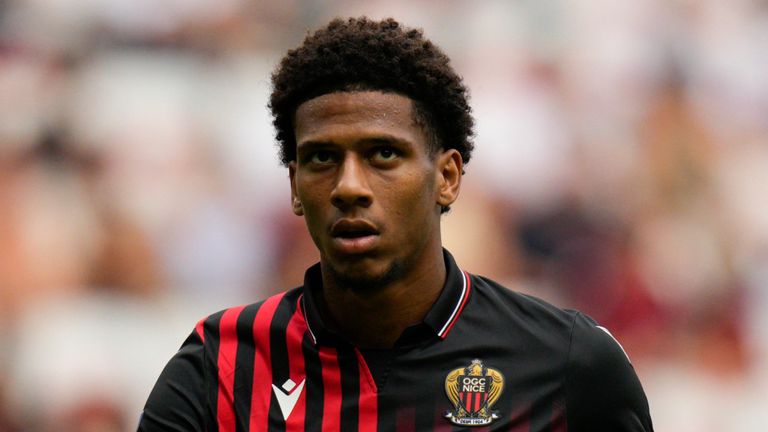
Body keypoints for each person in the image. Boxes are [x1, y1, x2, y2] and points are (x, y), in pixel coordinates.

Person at [138, 17, 653, 432]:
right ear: (295, 187)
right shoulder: (222, 368)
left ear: (446, 177)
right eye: (321, 158)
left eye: (383, 154)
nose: (349, 186)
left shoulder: (564, 362)